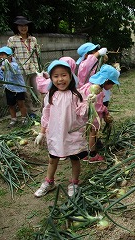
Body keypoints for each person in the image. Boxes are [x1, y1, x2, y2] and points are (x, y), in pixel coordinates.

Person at [33, 60, 91, 197]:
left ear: (70, 76)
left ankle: (74, 182)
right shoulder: (50, 96)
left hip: (73, 134)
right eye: (56, 76)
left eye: (64, 75)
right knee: (53, 159)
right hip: (56, 134)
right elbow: (46, 115)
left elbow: (83, 114)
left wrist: (89, 104)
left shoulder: (76, 95)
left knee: (75, 159)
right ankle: (49, 182)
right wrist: (41, 132)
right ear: (51, 79)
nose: (60, 79)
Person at [79, 64, 120, 163]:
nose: (112, 86)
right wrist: (106, 112)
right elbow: (97, 108)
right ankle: (92, 154)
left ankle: (82, 152)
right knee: (92, 134)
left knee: (85, 134)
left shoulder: (88, 85)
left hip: (82, 115)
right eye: (112, 84)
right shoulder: (96, 91)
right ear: (106, 81)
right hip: (91, 117)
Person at [7, 16, 40, 117]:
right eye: (20, 26)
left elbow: (37, 54)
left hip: (34, 68)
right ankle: (31, 113)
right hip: (21, 71)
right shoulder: (12, 40)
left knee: (40, 90)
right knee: (27, 94)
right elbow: (9, 56)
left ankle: (44, 110)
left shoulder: (33, 39)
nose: (23, 28)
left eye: (25, 25)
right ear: (16, 27)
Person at [0, 46, 28, 128]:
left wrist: (5, 67)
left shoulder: (14, 65)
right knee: (11, 104)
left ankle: (24, 118)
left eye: (3, 55)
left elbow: (12, 70)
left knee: (21, 103)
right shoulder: (1, 67)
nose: (1, 57)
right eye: (0, 55)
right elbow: (2, 78)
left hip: (18, 88)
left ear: (10, 56)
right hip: (9, 88)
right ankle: (13, 119)